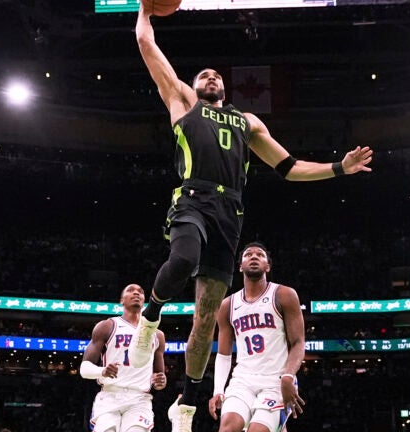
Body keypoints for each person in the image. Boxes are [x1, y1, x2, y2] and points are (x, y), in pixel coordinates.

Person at [130, 4, 373, 430]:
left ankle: (186, 400)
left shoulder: (248, 122)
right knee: (183, 260)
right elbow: (146, 44)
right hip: (193, 196)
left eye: (216, 75)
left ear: (224, 88)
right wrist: (144, 10)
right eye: (203, 74)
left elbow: (289, 167)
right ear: (192, 84)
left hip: (230, 211)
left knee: (205, 315)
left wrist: (340, 168)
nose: (210, 77)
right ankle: (151, 315)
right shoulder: (182, 100)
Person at [207, 242, 305, 432]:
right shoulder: (228, 304)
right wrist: (218, 389)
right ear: (240, 266)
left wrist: (288, 376)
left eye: (260, 254)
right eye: (248, 254)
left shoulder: (284, 294)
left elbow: (298, 343)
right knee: (228, 428)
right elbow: (224, 354)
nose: (253, 256)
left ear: (267, 266)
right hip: (242, 380)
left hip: (275, 381)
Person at [80, 284, 167, 432]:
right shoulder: (107, 326)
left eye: (140, 292)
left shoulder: (157, 335)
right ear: (122, 300)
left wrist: (161, 381)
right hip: (110, 395)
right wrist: (102, 371)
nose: (136, 293)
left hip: (139, 399)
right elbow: (84, 369)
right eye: (130, 290)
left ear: (144, 300)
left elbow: (159, 376)